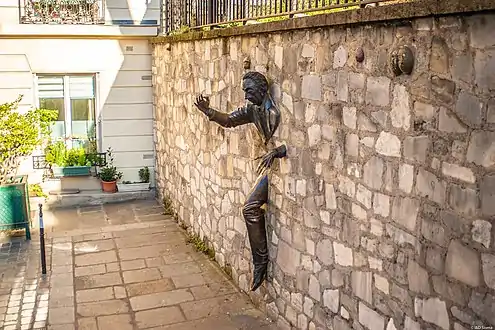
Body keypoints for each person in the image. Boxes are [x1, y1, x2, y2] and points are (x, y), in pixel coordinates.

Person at [194, 71, 287, 291]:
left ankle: (260, 263)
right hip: (268, 170)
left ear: (261, 89)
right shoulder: (253, 110)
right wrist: (208, 111)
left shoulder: (274, 112)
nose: (246, 96)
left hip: (272, 168)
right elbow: (229, 120)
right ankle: (259, 264)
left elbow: (294, 143)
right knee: (249, 208)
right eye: (244, 91)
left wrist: (276, 151)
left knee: (249, 208)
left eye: (248, 90)